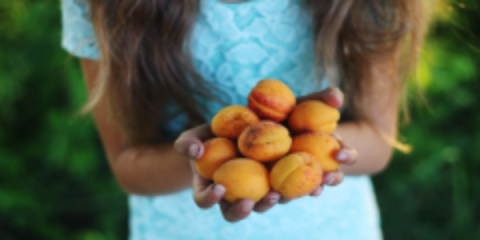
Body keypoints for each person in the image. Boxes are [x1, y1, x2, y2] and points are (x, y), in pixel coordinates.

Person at [62, 0, 430, 239]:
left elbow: (377, 140)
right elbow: (128, 164)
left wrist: (313, 149)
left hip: (328, 228)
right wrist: (202, 158)